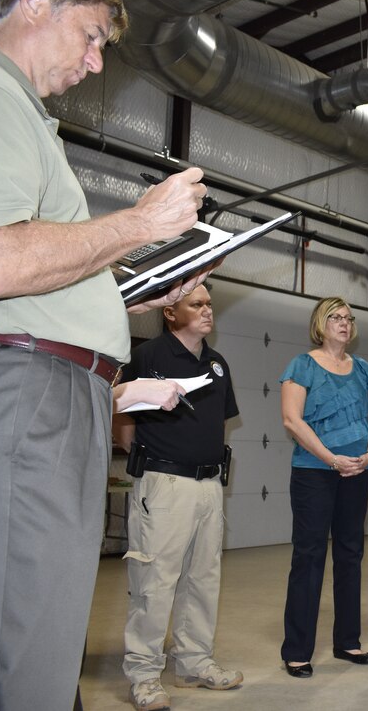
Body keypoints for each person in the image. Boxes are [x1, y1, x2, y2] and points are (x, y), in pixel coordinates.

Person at [0, 0, 210, 706]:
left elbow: (36, 278)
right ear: (35, 0)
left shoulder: (21, 114)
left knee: (32, 635)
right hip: (29, 391)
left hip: (48, 389)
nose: (96, 61)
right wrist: (138, 224)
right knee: (20, 646)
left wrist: (132, 291)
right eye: (92, 35)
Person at [117, 285, 242, 710]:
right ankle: (144, 674)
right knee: (154, 582)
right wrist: (146, 466)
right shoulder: (148, 357)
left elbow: (218, 425)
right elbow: (125, 422)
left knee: (203, 579)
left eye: (209, 304)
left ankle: (193, 662)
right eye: (197, 304)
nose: (208, 311)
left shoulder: (217, 363)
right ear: (170, 312)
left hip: (209, 485)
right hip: (164, 484)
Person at [279, 297, 368, 677]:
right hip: (315, 473)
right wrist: (331, 458)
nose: (344, 323)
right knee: (308, 558)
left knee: (350, 554)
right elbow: (292, 421)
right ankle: (297, 650)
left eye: (348, 318)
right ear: (319, 323)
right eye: (335, 317)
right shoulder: (302, 365)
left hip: (358, 471)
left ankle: (348, 642)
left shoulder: (363, 368)